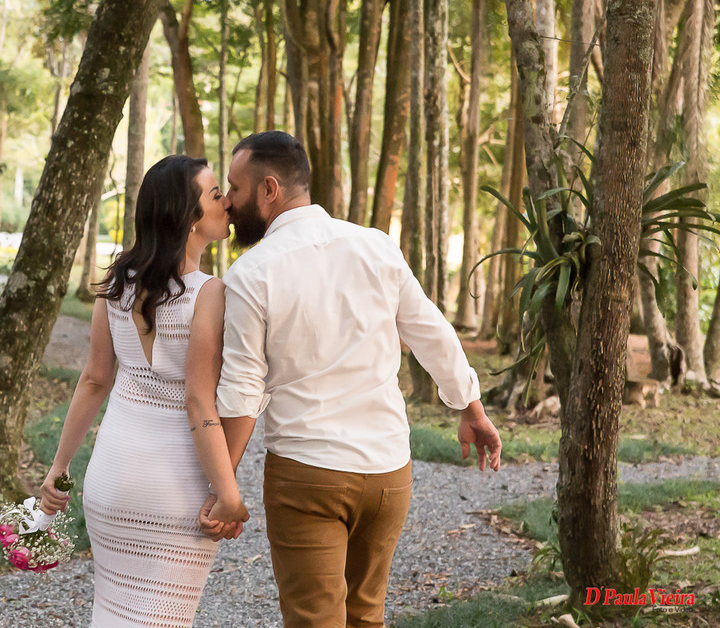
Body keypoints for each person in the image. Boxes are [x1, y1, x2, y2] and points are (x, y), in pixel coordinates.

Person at [199, 131, 503, 628]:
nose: (228, 202)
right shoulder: (376, 247)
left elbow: (242, 390)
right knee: (366, 617)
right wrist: (472, 411)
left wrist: (223, 485)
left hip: (308, 474)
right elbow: (432, 334)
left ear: (269, 189)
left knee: (313, 620)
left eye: (234, 187)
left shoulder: (250, 274)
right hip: (388, 475)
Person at [39, 155, 246, 628]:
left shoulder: (117, 283)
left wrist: (60, 467)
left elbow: (94, 380)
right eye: (215, 195)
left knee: (113, 616)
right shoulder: (208, 292)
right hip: (171, 488)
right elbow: (199, 400)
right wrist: (226, 492)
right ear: (189, 219)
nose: (227, 204)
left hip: (111, 479)